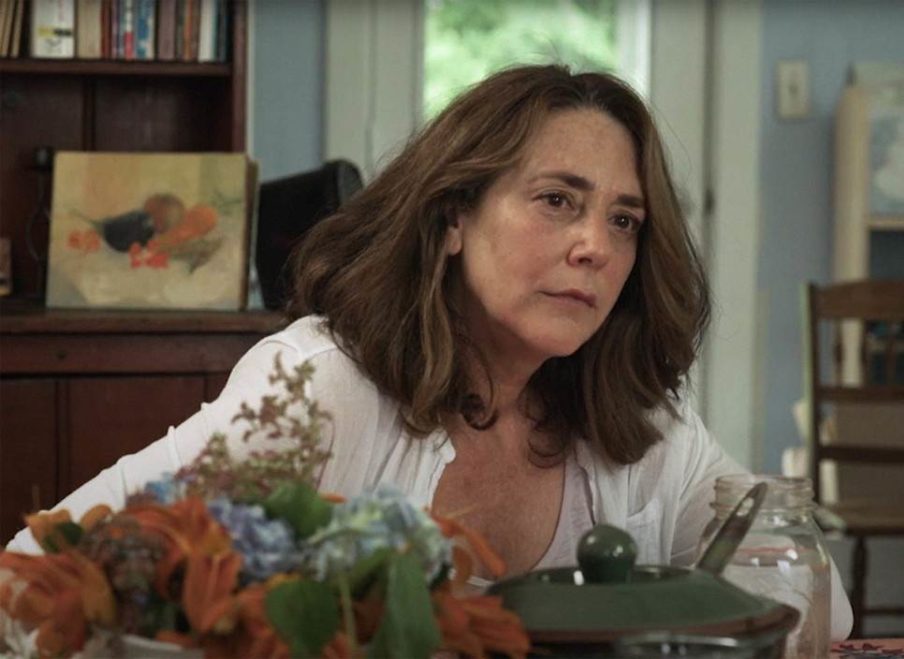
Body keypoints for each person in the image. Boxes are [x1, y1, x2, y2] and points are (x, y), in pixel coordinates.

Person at [5, 65, 852, 639]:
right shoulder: (322, 386)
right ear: (453, 218)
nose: (596, 245)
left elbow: (816, 595)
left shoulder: (640, 416)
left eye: (624, 219)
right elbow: (34, 571)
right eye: (558, 200)